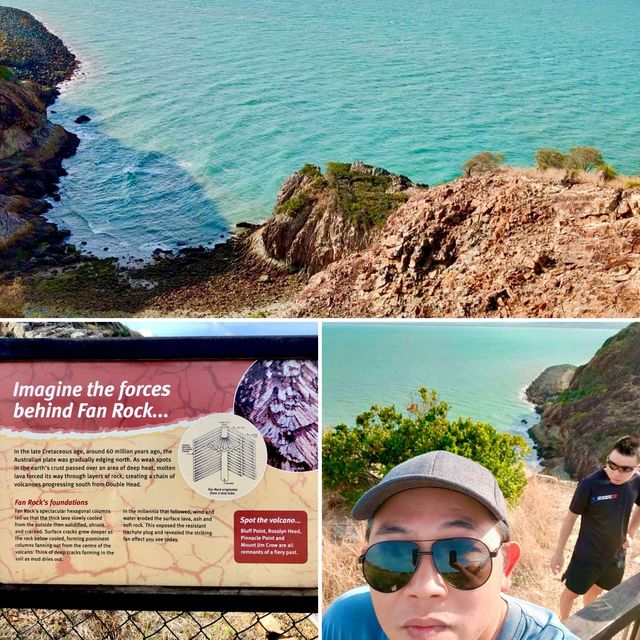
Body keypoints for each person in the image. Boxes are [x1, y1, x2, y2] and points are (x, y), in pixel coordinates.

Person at [323, 450, 579, 640]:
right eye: (392, 556)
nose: (425, 588)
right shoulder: (348, 624)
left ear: (506, 566)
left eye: (461, 555)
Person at [550, 435, 640, 620]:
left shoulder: (637, 482)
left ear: (636, 468)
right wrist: (558, 552)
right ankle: (565, 626)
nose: (615, 473)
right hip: (586, 555)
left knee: (596, 591)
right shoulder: (590, 484)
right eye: (612, 465)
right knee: (571, 594)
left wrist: (630, 532)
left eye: (625, 469)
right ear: (608, 457)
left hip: (616, 556)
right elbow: (570, 518)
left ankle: (587, 626)